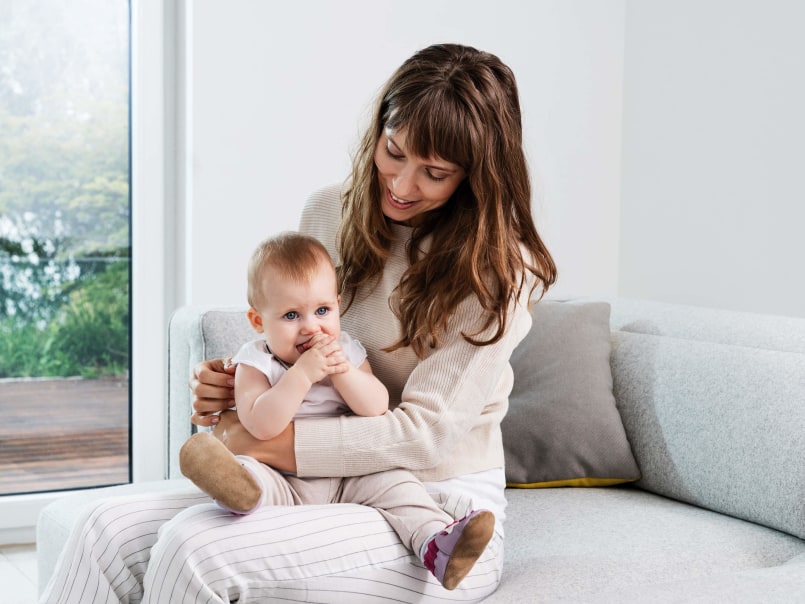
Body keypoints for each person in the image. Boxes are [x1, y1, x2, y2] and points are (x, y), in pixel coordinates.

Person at [41, 42, 556, 603]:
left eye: (434, 173)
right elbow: (292, 338)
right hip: (310, 481)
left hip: (433, 506)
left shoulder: (499, 270)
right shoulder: (330, 212)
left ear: (476, 178)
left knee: (197, 549)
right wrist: (236, 389)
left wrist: (261, 442)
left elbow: (424, 437)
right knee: (102, 530)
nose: (402, 185)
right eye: (394, 151)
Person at [179, 231, 495, 590]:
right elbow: (261, 427)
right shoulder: (253, 362)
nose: (311, 327)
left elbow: (376, 407)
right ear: (257, 321)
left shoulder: (346, 350)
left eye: (322, 311)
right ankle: (236, 494)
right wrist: (301, 375)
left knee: (397, 484)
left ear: (338, 305)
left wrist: (342, 371)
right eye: (291, 315)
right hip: (282, 475)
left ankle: (436, 543)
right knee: (250, 474)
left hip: (350, 472)